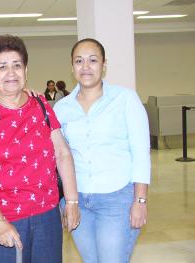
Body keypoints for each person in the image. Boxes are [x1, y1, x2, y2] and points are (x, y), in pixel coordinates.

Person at [0, 34, 79, 263]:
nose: (11, 73)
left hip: (47, 217)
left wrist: (72, 201)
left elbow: (62, 153)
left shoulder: (41, 105)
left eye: (17, 65)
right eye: (2, 67)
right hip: (3, 219)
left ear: (26, 70)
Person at [53, 38, 151, 263]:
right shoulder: (62, 107)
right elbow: (58, 155)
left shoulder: (125, 99)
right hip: (77, 201)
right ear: (72, 67)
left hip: (116, 199)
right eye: (79, 61)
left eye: (93, 60)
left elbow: (140, 152)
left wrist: (141, 200)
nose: (85, 67)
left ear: (104, 65)